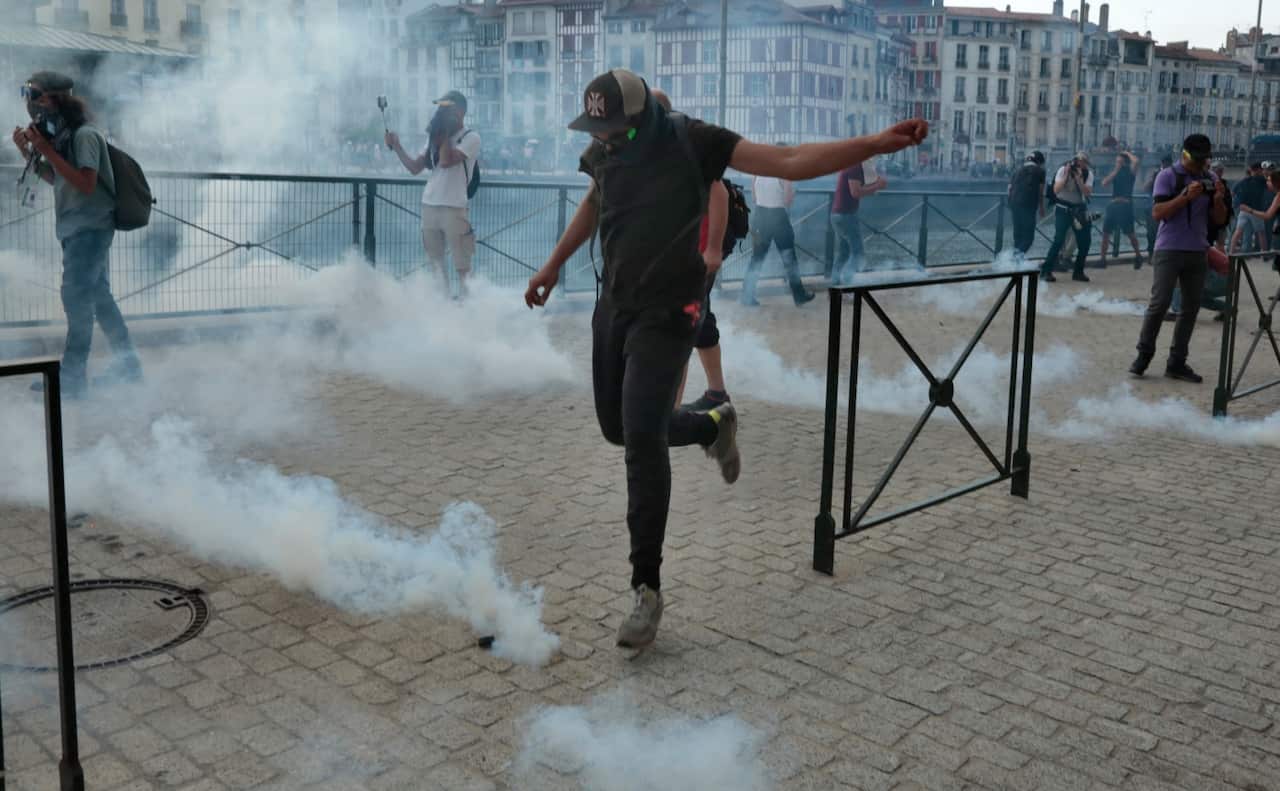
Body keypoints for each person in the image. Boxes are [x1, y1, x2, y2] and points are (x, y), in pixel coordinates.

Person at [524, 68, 927, 648]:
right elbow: (593, 201)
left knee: (641, 441)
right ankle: (714, 424)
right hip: (614, 306)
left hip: (670, 312)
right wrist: (552, 264)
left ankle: (646, 588)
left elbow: (789, 161)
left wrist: (874, 144)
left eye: (612, 129)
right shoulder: (606, 148)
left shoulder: (695, 141)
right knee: (619, 429)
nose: (603, 138)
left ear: (643, 120)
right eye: (596, 128)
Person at [11, 71, 143, 399]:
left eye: (34, 94)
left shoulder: (84, 136)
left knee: (77, 301)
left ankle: (71, 381)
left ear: (55, 98)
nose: (30, 102)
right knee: (100, 299)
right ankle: (128, 367)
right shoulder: (65, 137)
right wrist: (29, 153)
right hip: (78, 229)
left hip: (90, 229)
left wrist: (45, 148)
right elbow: (58, 179)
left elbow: (85, 183)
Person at [649, 88, 733, 413]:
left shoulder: (684, 144)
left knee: (680, 328)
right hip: (675, 256)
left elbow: (719, 193)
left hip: (695, 256)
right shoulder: (653, 147)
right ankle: (717, 393)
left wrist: (713, 250)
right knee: (700, 320)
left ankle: (670, 411)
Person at [1130, 134, 1228, 383]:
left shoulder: (1211, 178)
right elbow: (1157, 213)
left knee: (1190, 308)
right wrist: (1185, 196)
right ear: (1185, 155)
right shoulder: (1167, 176)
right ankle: (1143, 355)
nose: (1201, 165)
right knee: (1159, 303)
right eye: (1198, 160)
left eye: (1204, 160)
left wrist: (1218, 200)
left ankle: (1177, 362)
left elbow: (1219, 219)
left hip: (1198, 251)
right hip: (1169, 250)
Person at [385, 90, 479, 298]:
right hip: (429, 205)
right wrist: (397, 145)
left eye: (447, 108)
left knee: (462, 266)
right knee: (436, 266)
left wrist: (443, 132)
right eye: (440, 109)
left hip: (454, 207)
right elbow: (414, 167)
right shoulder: (434, 139)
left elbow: (445, 161)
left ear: (460, 111)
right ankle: (442, 306)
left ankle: (469, 307)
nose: (441, 113)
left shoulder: (471, 138)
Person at [739, 148, 815, 306]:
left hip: (759, 217)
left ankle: (746, 296)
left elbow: (754, 197)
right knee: (789, 258)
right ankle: (799, 296)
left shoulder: (757, 172)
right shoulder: (783, 174)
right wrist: (791, 193)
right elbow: (787, 200)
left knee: (757, 258)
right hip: (778, 218)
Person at [1040, 152, 1095, 283]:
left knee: (1085, 242)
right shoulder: (1063, 170)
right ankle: (1046, 271)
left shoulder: (1088, 174)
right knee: (1058, 239)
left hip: (1079, 210)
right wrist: (1066, 176)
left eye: (1083, 163)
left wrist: (1079, 180)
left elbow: (1087, 193)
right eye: (1078, 162)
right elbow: (1056, 190)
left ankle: (1078, 272)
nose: (1080, 165)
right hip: (1063, 209)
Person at [830, 158, 887, 283]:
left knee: (844, 253)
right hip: (846, 215)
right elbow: (855, 192)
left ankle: (835, 284)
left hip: (837, 214)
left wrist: (874, 187)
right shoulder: (855, 165)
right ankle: (847, 283)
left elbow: (858, 188)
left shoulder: (852, 164)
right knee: (858, 254)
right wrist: (877, 186)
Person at [1100, 151, 1143, 268]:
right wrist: (1116, 170)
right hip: (1113, 205)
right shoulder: (1115, 172)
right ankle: (1102, 260)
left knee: (1130, 233)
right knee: (1105, 233)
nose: (1117, 163)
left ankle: (1138, 255)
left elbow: (1136, 161)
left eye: (1119, 161)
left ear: (1124, 162)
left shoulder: (1130, 171)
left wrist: (1126, 153)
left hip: (1125, 206)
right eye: (1116, 161)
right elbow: (1104, 183)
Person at [1006, 150, 1047, 259]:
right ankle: (1015, 259)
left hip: (1014, 204)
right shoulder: (1040, 171)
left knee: (1018, 236)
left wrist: (1011, 203)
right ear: (1039, 162)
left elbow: (1009, 188)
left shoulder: (1017, 170)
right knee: (1028, 238)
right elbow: (1041, 191)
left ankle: (1015, 264)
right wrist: (1041, 207)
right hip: (1028, 205)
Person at [1230, 162, 1271, 254]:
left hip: (1243, 209)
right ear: (1258, 170)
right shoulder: (1261, 180)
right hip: (1256, 210)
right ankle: (1264, 254)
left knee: (1238, 232)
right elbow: (1270, 186)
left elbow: (1233, 193)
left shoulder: (1243, 181)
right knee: (1261, 233)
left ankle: (1231, 252)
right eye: (1261, 170)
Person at [1142, 155, 1174, 263]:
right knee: (1152, 233)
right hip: (1154, 207)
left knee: (1163, 233)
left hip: (1166, 208)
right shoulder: (1157, 174)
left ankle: (1159, 256)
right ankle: (1152, 255)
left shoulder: (1173, 175)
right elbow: (1145, 188)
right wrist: (1153, 178)